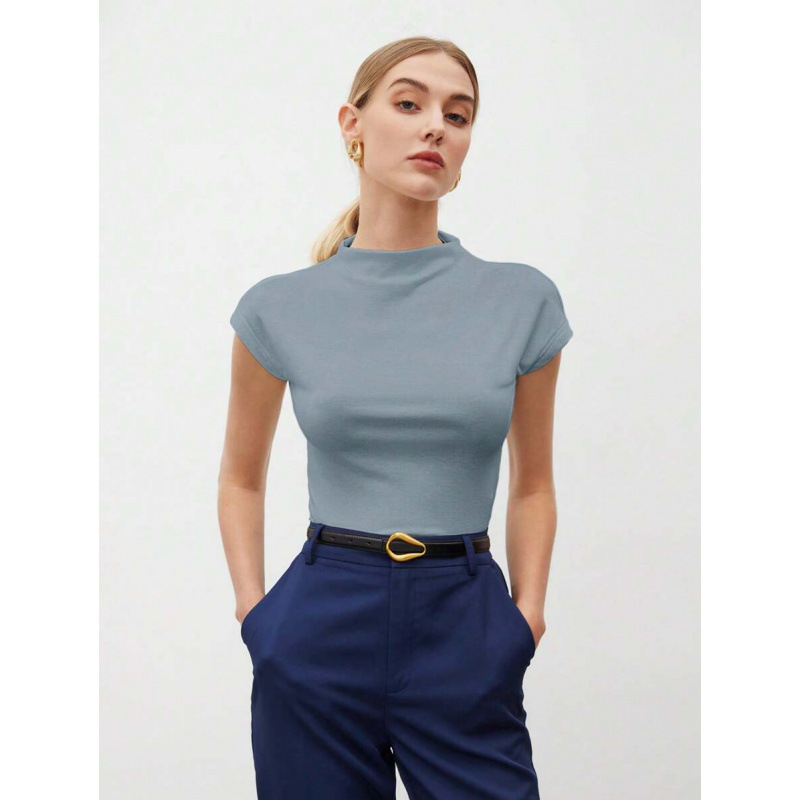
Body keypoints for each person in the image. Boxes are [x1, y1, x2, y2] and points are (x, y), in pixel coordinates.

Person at [218, 36, 573, 800]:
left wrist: (526, 617)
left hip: (465, 619)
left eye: (458, 114)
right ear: (353, 124)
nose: (435, 125)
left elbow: (534, 483)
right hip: (319, 622)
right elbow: (241, 478)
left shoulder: (521, 301)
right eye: (409, 104)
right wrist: (257, 615)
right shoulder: (279, 308)